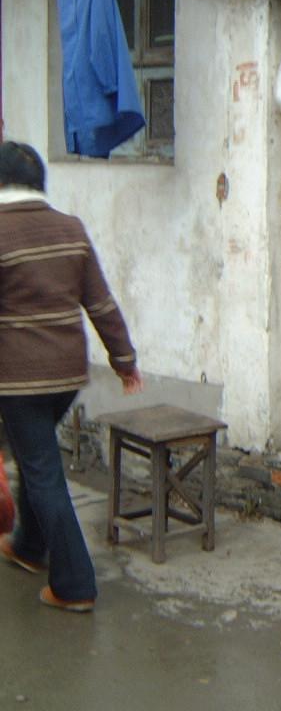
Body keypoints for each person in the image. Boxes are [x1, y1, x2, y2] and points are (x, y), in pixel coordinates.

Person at [0, 141, 142, 612]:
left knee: (42, 470)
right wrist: (124, 362)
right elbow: (100, 303)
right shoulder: (71, 228)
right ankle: (28, 546)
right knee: (34, 456)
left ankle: (75, 584)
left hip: (19, 381)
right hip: (67, 375)